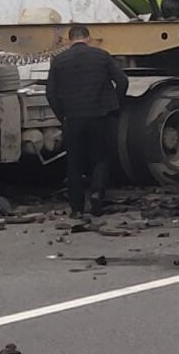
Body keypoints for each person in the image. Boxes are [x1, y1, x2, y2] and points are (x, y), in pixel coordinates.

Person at [47, 24, 128, 219]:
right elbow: (123, 81)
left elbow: (51, 94)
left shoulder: (58, 61)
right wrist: (114, 104)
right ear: (88, 38)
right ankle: (96, 194)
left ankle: (76, 208)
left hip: (73, 118)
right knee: (101, 158)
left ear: (69, 39)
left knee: (74, 163)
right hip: (100, 116)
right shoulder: (101, 56)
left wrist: (62, 115)